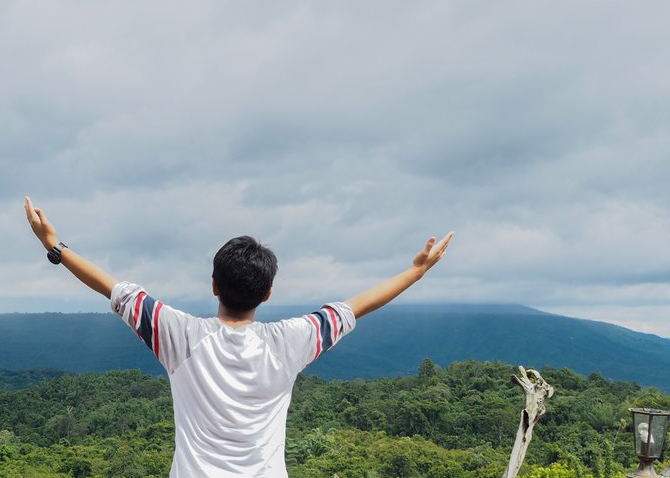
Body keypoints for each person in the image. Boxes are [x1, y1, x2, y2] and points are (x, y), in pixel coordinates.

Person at [24, 196, 453, 477]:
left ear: (213, 286)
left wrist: (55, 246)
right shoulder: (289, 342)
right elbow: (357, 305)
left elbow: (113, 288)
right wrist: (416, 271)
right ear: (268, 293)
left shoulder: (180, 335)